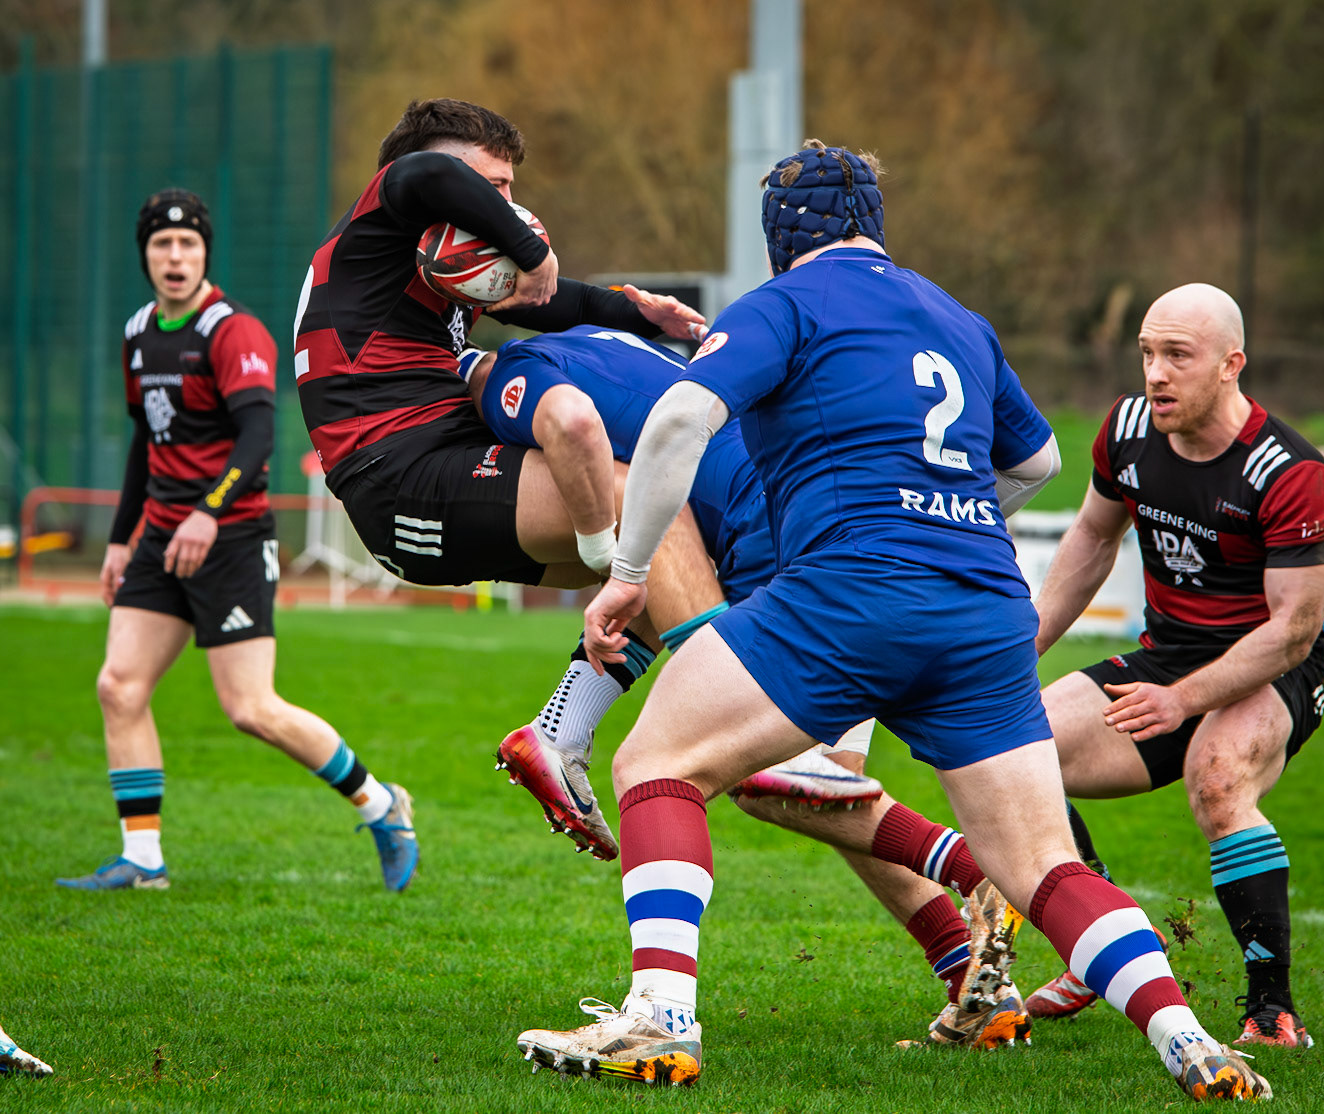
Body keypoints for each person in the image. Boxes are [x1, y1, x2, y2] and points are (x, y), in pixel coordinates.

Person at [513, 142, 1267, 1101]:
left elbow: (672, 425)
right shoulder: (957, 316)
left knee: (655, 764)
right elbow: (1032, 465)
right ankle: (1186, 1038)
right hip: (984, 608)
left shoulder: (786, 304)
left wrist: (625, 575)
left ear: (782, 235)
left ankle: (659, 1018)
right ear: (874, 219)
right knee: (1040, 864)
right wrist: (935, 501)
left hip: (852, 593)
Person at [469, 325, 1029, 1048]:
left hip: (782, 546)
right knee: (820, 786)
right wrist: (567, 716)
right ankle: (972, 976)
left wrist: (599, 559)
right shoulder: (591, 341)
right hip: (805, 528)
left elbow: (607, 473)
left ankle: (978, 871)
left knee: (763, 777)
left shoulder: (517, 380)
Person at [292, 99, 729, 862]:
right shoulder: (385, 215)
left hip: (435, 463)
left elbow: (543, 302)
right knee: (635, 502)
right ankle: (745, 707)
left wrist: (633, 310)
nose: (504, 203)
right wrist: (528, 245)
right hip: (401, 480)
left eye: (510, 188)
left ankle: (560, 733)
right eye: (491, 186)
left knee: (675, 558)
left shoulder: (426, 259)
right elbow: (430, 175)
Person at [57, 190, 418, 893]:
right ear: (146, 258)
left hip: (228, 536)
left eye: (187, 245)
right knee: (119, 686)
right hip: (161, 536)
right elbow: (146, 442)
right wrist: (118, 540)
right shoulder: (137, 333)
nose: (174, 257)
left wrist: (207, 514)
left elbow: (257, 437)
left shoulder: (232, 330)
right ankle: (144, 860)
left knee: (251, 709)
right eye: (162, 246)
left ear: (204, 254)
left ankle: (383, 806)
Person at [1022, 282, 1324, 1053]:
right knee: (1012, 746)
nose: (1155, 374)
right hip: (1167, 655)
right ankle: (1100, 941)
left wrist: (1181, 700)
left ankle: (1272, 1014)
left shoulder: (1287, 471)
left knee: (1217, 777)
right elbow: (1092, 542)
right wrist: (1014, 652)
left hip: (1273, 670)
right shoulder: (1127, 431)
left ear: (1231, 364)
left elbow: (1292, 633)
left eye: (1176, 356)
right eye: (1145, 354)